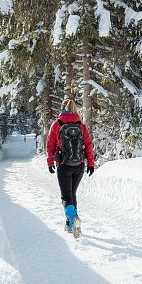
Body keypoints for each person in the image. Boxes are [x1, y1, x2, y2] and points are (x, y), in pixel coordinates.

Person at [46, 99, 95, 234]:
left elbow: (50, 145)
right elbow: (88, 145)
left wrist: (50, 162)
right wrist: (91, 163)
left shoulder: (57, 124)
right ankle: (70, 224)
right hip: (79, 165)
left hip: (63, 165)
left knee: (66, 197)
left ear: (62, 109)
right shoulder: (81, 125)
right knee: (72, 194)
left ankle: (73, 219)